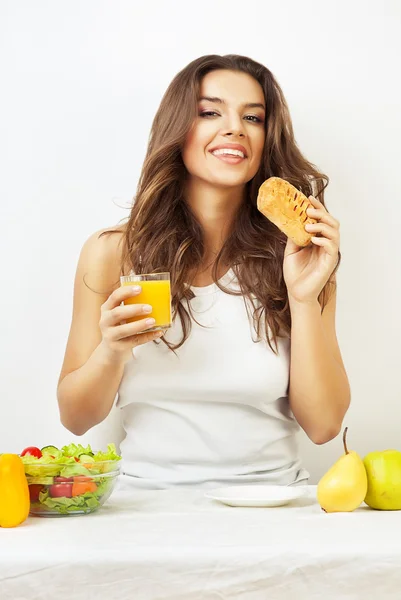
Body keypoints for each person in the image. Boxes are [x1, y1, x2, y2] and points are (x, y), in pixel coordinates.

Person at [57, 54, 350, 489]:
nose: (234, 127)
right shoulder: (114, 253)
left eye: (253, 116)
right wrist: (111, 352)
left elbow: (324, 426)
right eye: (210, 112)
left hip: (271, 504)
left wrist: (305, 298)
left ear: (266, 138)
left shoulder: (296, 255)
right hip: (145, 503)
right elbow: (76, 419)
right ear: (178, 130)